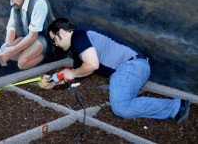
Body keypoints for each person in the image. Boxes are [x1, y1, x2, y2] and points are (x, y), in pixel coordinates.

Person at [44, 17, 191, 124]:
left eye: (54, 40)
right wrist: (53, 80)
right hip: (130, 68)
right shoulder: (79, 47)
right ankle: (173, 107)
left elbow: (91, 65)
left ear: (62, 32)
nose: (55, 44)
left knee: (121, 107)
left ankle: (177, 107)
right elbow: (78, 70)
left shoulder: (79, 35)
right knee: (122, 103)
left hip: (131, 66)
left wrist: (73, 73)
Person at [0, 0, 55, 69]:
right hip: (27, 38)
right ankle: (26, 54)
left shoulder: (39, 3)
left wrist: (11, 50)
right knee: (7, 53)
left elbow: (32, 36)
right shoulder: (15, 7)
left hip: (42, 39)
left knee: (21, 63)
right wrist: (7, 44)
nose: (11, 2)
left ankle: (44, 58)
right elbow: (11, 29)